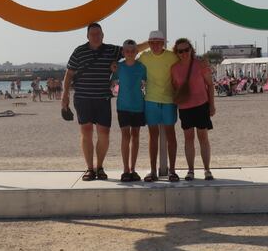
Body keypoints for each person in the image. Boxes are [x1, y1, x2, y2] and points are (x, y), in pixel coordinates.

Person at [62, 23, 125, 181]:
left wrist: (151, 43)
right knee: (87, 132)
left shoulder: (111, 50)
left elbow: (131, 50)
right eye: (93, 34)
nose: (96, 36)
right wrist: (65, 95)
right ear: (87, 36)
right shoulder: (79, 51)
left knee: (104, 134)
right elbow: (69, 74)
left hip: (102, 98)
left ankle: (100, 166)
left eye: (98, 34)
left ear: (103, 35)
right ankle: (90, 168)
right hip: (83, 98)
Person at [138, 30, 180, 182]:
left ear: (163, 43)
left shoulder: (172, 56)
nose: (155, 45)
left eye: (158, 42)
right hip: (150, 100)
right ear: (148, 43)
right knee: (153, 136)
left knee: (171, 134)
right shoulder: (144, 57)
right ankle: (153, 170)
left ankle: (173, 170)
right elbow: (131, 59)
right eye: (152, 42)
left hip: (169, 100)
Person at [170, 38, 215, 181]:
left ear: (191, 50)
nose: (184, 53)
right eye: (180, 51)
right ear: (176, 52)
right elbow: (174, 87)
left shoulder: (200, 65)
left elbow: (210, 85)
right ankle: (191, 170)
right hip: (185, 108)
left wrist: (212, 105)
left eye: (186, 50)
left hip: (201, 105)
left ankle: (207, 169)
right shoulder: (174, 68)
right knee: (188, 139)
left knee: (203, 138)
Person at [112, 39, 147, 182]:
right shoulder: (118, 67)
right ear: (123, 52)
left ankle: (133, 169)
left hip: (138, 105)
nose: (130, 53)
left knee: (136, 137)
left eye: (133, 51)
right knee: (125, 137)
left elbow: (147, 83)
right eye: (127, 51)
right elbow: (111, 82)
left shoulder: (142, 67)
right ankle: (125, 169)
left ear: (137, 52)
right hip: (123, 107)